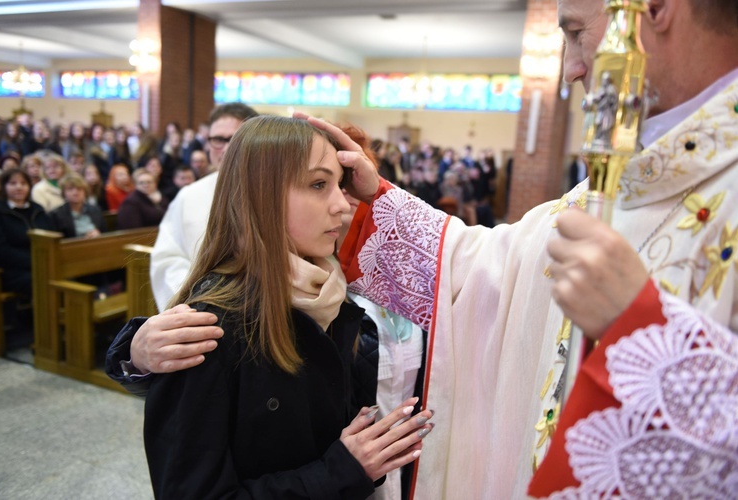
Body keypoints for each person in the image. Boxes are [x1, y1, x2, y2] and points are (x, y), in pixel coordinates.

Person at [112, 0, 738, 497]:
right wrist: (133, 348)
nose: (571, 68)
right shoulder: (612, 188)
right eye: (317, 186)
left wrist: (644, 334)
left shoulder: (342, 313)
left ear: (651, 9)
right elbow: (485, 267)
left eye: (575, 32)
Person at [133, 115, 434, 498]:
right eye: (319, 184)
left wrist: (363, 458)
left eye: (339, 186)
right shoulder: (207, 329)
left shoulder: (327, 295)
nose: (342, 206)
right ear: (263, 194)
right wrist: (342, 470)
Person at [149, 102, 259, 311]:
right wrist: (200, 301)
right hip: (199, 311)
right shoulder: (189, 196)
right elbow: (167, 259)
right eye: (218, 139)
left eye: (236, 139)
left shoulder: (275, 192)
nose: (227, 148)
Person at [0, 168, 52, 296]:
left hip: (41, 264)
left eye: (23, 183)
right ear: (4, 187)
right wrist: (34, 261)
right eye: (13, 183)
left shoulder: (37, 209)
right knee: (42, 281)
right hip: (9, 270)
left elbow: (51, 236)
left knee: (67, 276)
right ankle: (40, 316)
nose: (19, 187)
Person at [48, 173, 107, 238]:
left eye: (79, 189)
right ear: (64, 193)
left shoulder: (96, 210)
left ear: (85, 191)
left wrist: (98, 234)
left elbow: (106, 233)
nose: (75, 193)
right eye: (70, 189)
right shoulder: (56, 215)